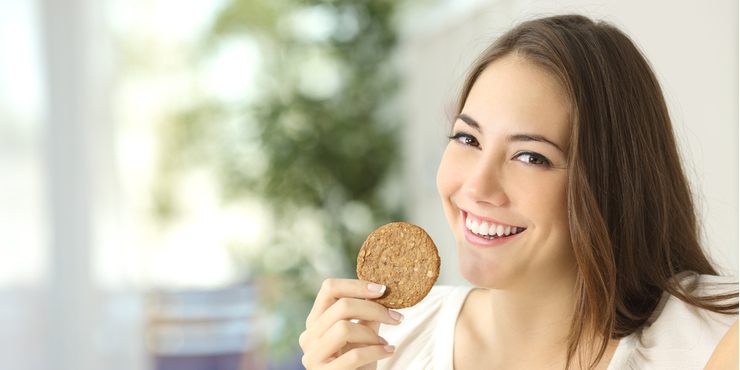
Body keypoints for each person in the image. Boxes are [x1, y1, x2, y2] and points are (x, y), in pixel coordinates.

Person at [298, 14, 739, 370]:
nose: (476, 187)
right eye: (467, 139)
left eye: (530, 156)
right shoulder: (384, 341)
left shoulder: (716, 343)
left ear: (611, 184)